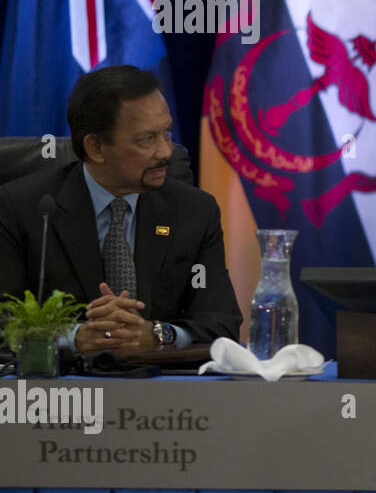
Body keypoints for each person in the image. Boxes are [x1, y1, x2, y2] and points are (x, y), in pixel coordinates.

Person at [0, 65, 241, 352]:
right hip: (62, 391)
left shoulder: (195, 211)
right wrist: (76, 337)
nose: (165, 152)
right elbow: (5, 322)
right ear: (96, 148)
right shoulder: (24, 208)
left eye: (166, 134)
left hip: (165, 388)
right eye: (146, 139)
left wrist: (158, 334)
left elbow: (222, 324)